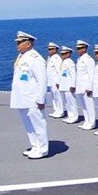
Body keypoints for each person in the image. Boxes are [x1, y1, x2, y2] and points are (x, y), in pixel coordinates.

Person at [11, 31, 48, 159]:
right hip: (22, 98)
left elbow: (42, 80)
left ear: (28, 44)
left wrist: (41, 98)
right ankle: (35, 146)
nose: (17, 45)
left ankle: (43, 149)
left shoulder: (35, 58)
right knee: (28, 124)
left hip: (33, 98)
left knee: (38, 124)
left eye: (20, 42)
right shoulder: (22, 57)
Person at [75, 40, 96, 130]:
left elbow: (91, 74)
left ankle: (92, 123)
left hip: (86, 87)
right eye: (77, 48)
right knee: (83, 106)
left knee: (89, 106)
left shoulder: (88, 60)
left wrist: (89, 87)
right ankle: (87, 121)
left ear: (84, 49)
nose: (78, 50)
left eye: (80, 48)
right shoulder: (79, 59)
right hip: (80, 86)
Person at [59, 46, 78, 123]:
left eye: (64, 54)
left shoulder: (69, 62)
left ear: (68, 54)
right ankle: (70, 116)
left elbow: (73, 74)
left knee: (71, 102)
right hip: (64, 86)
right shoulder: (64, 62)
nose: (62, 55)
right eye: (62, 54)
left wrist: (73, 85)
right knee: (67, 103)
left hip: (69, 86)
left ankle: (74, 117)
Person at [46, 42, 64, 118]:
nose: (49, 50)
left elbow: (59, 71)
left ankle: (60, 111)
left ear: (55, 50)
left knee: (58, 97)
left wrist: (59, 81)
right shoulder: (50, 58)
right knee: (53, 97)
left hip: (55, 81)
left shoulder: (57, 58)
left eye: (51, 49)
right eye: (49, 49)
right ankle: (56, 110)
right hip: (50, 81)